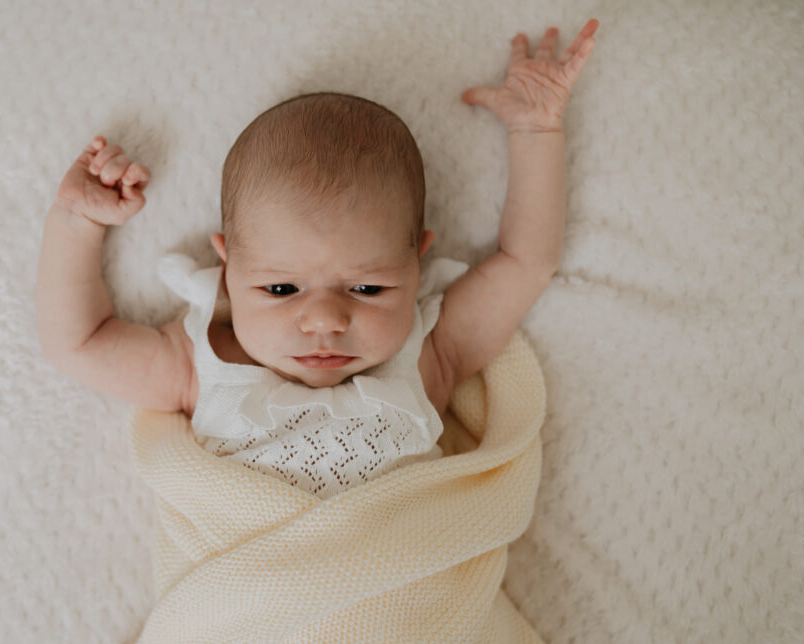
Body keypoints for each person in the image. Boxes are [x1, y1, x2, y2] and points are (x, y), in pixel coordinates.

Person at [37, 20, 599, 499]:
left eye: (368, 289)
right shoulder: (198, 363)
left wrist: (536, 131)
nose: (326, 321)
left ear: (416, 266)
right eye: (281, 290)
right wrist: (76, 222)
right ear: (228, 269)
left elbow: (526, 259)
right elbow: (79, 343)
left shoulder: (431, 350)